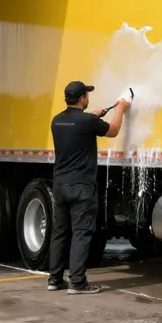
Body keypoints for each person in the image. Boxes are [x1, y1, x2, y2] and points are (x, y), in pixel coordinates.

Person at [47, 80, 131, 294]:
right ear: (82, 98)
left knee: (60, 233)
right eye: (87, 95)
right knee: (81, 233)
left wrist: (92, 116)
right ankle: (77, 282)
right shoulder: (86, 122)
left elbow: (78, 125)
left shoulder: (57, 121)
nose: (88, 98)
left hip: (60, 184)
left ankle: (55, 280)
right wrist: (120, 109)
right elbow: (112, 130)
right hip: (81, 186)